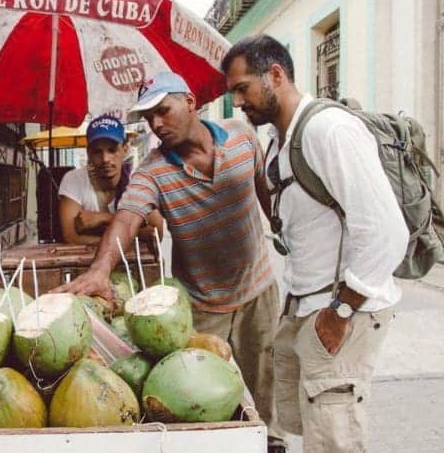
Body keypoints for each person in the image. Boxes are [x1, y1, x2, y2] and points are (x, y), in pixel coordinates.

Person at [55, 71, 286, 451]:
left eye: (163, 111)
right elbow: (127, 218)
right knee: (202, 399)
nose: (157, 125)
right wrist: (99, 271)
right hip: (199, 305)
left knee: (262, 390)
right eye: (149, 119)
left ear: (191, 102)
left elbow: (262, 186)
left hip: (257, 292)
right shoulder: (152, 171)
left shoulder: (243, 138)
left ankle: (271, 443)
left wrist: (281, 226)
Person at [222, 35, 409, 452]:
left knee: (335, 440)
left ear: (276, 75)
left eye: (242, 88)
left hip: (342, 313)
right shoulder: (281, 142)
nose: (237, 102)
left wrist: (341, 310)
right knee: (308, 428)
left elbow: (386, 231)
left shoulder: (329, 130)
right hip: (308, 308)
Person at [58, 115, 163, 245]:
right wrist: (136, 233)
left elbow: (157, 232)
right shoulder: (74, 180)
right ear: (88, 153)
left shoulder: (137, 180)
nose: (105, 159)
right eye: (97, 151)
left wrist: (104, 218)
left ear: (125, 149)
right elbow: (71, 238)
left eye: (112, 150)